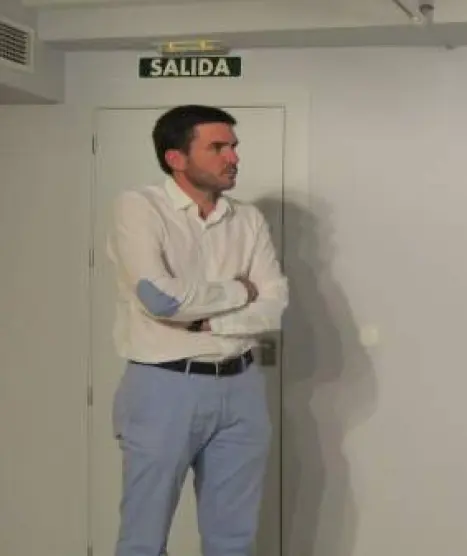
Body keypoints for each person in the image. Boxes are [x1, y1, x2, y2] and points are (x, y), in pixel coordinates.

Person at [106, 105, 289, 556]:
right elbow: (159, 299)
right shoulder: (140, 207)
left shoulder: (247, 219)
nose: (234, 157)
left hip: (242, 387)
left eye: (234, 147)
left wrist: (208, 321)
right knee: (144, 538)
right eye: (218, 147)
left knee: (234, 538)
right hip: (164, 385)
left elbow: (274, 307)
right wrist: (240, 290)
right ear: (176, 158)